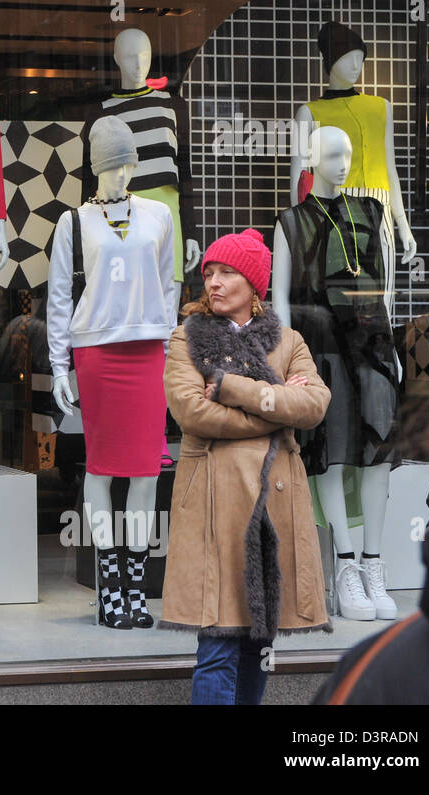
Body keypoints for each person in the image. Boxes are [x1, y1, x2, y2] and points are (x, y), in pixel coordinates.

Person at [161, 228, 333, 704]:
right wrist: (278, 408)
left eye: (226, 272)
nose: (213, 282)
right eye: (209, 273)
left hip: (272, 505)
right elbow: (192, 413)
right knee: (217, 643)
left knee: (260, 642)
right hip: (217, 503)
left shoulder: (289, 339)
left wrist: (234, 389)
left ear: (253, 284)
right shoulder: (185, 338)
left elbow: (316, 404)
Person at [313, 389, 429, 703]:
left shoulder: (370, 675)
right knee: (335, 447)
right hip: (331, 360)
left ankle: (370, 559)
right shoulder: (371, 676)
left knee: (374, 455)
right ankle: (348, 560)